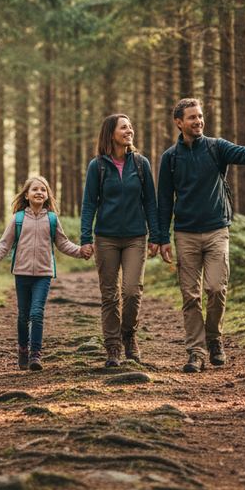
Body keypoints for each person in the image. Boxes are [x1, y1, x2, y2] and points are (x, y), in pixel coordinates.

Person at [156, 98, 245, 373]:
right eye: (191, 118)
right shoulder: (170, 158)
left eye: (200, 116)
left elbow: (244, 154)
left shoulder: (216, 147)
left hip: (216, 231)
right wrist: (162, 238)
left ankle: (214, 340)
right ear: (178, 122)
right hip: (185, 233)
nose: (198, 121)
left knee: (216, 289)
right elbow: (164, 200)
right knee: (190, 296)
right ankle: (195, 352)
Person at [0, 176, 86, 371]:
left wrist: (80, 251)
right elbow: (4, 245)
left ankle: (35, 354)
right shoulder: (18, 219)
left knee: (37, 313)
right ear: (26, 195)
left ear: (47, 196)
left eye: (43, 190)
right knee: (23, 316)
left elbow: (62, 243)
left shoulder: (52, 219)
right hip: (21, 273)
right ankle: (22, 348)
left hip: (43, 274)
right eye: (35, 189)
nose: (39, 192)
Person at [81, 114, 160, 367]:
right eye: (124, 127)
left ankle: (129, 335)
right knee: (110, 295)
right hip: (106, 239)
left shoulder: (141, 163)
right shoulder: (98, 166)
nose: (130, 130)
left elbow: (150, 201)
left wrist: (157, 236)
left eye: (130, 126)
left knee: (131, 292)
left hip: (136, 237)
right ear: (111, 133)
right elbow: (89, 204)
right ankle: (113, 347)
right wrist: (85, 238)